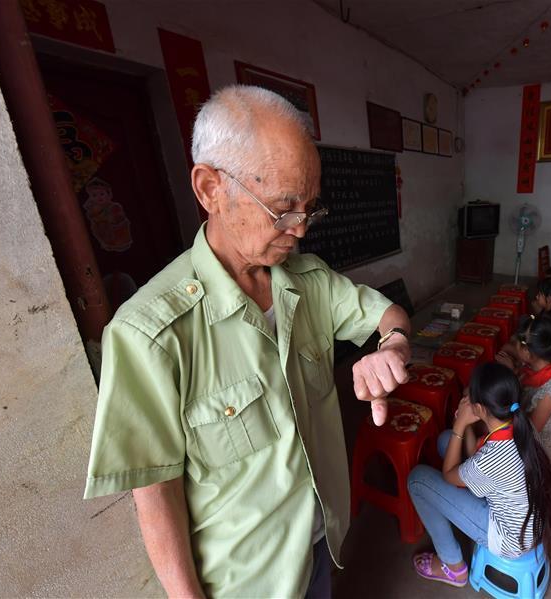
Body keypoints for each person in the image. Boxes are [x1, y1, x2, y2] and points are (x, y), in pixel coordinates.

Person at [83, 86, 413, 598]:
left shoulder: (309, 281)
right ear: (211, 188)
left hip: (321, 544)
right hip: (246, 584)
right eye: (283, 208)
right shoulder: (149, 333)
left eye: (310, 208)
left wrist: (392, 347)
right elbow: (155, 492)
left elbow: (389, 316)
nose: (300, 229)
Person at [407, 363, 551, 588]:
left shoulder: (494, 457)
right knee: (446, 441)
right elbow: (474, 456)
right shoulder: (520, 426)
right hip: (525, 519)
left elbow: (449, 474)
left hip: (508, 539)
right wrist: (463, 428)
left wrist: (459, 425)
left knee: (417, 479)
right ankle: (459, 503)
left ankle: (452, 566)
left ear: (480, 408)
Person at [496, 315, 551, 462]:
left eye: (519, 342)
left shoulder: (549, 394)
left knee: (486, 426)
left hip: (537, 451)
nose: (514, 343)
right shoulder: (534, 367)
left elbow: (526, 434)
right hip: (523, 429)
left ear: (527, 353)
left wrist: (511, 377)